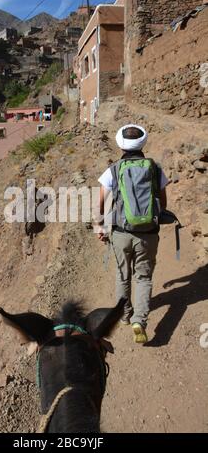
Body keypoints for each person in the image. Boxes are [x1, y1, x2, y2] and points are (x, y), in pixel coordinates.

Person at [97, 124, 169, 344]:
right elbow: (163, 203)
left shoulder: (113, 169)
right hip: (148, 233)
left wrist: (100, 225)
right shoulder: (155, 168)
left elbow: (101, 203)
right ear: (142, 143)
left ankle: (126, 315)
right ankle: (140, 320)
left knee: (122, 276)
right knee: (144, 278)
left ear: (121, 144)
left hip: (121, 233)